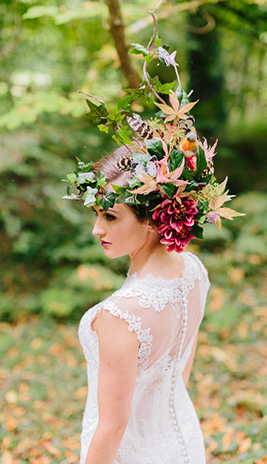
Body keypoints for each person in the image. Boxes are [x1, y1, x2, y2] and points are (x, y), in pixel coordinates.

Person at [77, 145, 211, 464]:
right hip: (185, 445)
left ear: (153, 219)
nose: (97, 229)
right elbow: (181, 372)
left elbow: (112, 427)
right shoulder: (193, 271)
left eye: (110, 216)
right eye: (97, 214)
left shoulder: (119, 316)